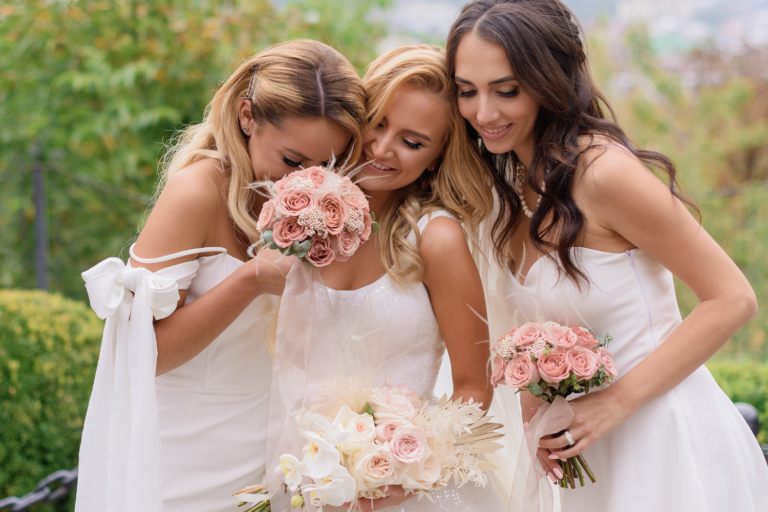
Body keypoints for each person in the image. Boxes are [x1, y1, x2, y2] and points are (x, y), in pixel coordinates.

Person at [446, 1, 768, 511]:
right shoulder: (503, 186)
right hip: (586, 457)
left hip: (663, 441)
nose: (483, 113)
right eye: (467, 91)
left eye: (506, 90)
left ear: (548, 78)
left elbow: (732, 299)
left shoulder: (602, 173)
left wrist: (612, 403)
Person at [76, 39, 366, 512]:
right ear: (247, 116)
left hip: (266, 444)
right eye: (293, 161)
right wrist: (250, 280)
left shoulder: (326, 209)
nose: (305, 180)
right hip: (182, 452)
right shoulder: (196, 191)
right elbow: (145, 353)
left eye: (328, 165)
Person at [265, 45, 507, 512]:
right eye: (377, 123)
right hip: (299, 474)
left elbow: (474, 387)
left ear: (437, 157)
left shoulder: (436, 239)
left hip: (403, 491)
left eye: (412, 142)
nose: (381, 148)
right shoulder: (295, 219)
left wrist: (400, 475)